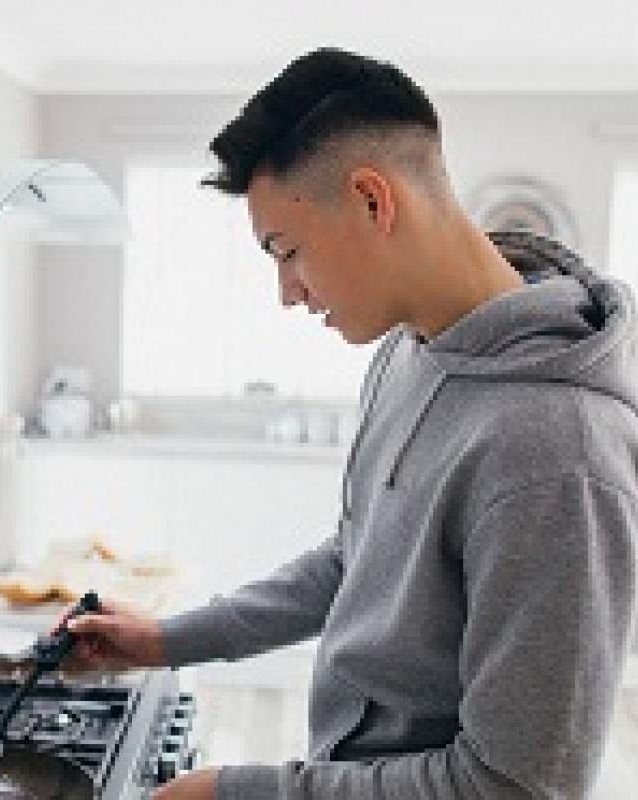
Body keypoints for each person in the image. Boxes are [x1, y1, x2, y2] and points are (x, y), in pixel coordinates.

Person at [63, 48, 638, 799]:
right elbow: (357, 556)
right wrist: (169, 639)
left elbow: (516, 787)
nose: (287, 293)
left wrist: (236, 792)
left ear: (374, 200)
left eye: (287, 252)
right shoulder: (409, 350)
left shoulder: (560, 452)